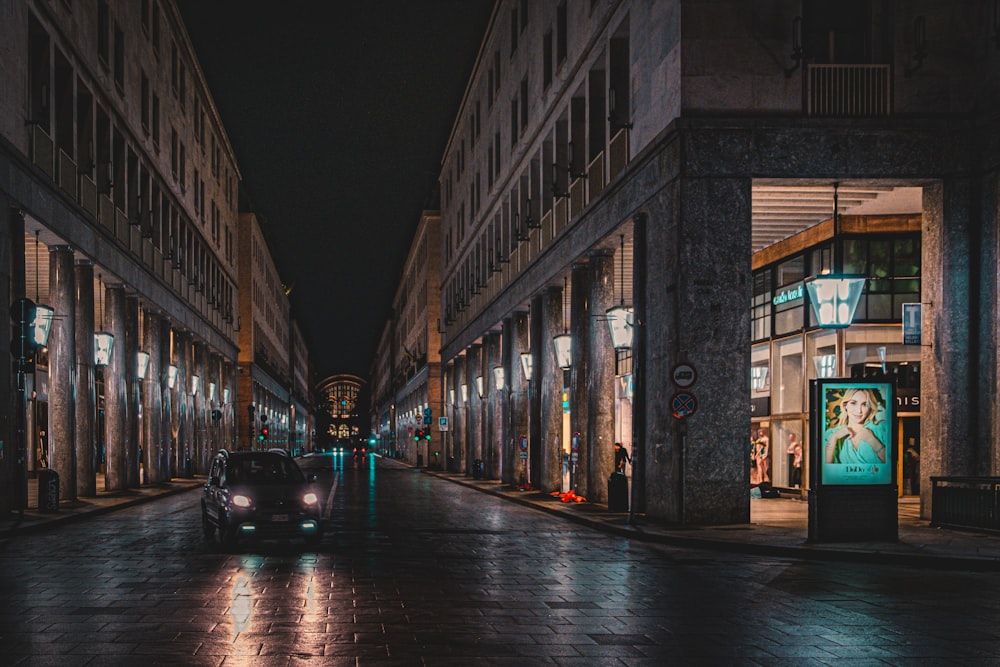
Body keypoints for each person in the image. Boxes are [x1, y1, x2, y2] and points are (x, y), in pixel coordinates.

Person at [824, 387, 887, 464]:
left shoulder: (882, 429)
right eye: (853, 403)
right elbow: (825, 470)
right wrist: (834, 438)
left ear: (870, 407)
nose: (859, 410)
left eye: (864, 404)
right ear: (845, 406)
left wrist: (873, 441)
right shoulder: (831, 434)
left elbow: (892, 465)